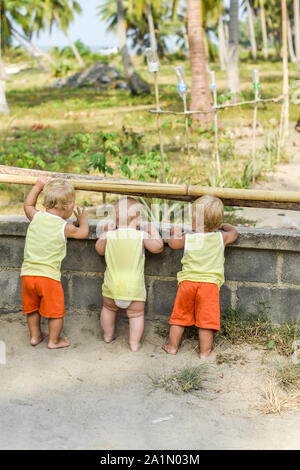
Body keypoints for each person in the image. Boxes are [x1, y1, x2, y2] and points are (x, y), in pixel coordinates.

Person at [163, 195, 238, 359]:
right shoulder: (221, 237)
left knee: (179, 317)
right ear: (217, 223)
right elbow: (234, 233)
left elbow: (173, 243)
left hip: (187, 284)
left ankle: (172, 347)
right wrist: (226, 225)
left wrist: (174, 232)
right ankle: (205, 352)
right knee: (206, 322)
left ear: (195, 221)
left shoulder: (188, 238)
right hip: (209, 286)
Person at [21, 177, 89, 349]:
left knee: (32, 309)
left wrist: (37, 187)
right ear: (66, 207)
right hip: (48, 278)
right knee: (55, 312)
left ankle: (35, 336)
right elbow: (82, 233)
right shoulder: (65, 227)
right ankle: (54, 340)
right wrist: (84, 220)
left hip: (28, 275)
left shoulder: (36, 217)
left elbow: (27, 206)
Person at [95, 197, 164, 352]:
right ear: (139, 220)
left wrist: (106, 232)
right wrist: (152, 230)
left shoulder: (110, 235)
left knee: (108, 309)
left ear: (115, 219)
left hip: (111, 288)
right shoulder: (141, 236)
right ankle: (134, 343)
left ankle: (107, 336)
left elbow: (99, 249)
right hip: (134, 291)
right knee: (136, 315)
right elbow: (158, 247)